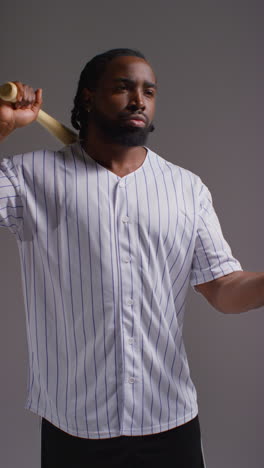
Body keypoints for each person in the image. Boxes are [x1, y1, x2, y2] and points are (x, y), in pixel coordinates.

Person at [0, 48, 263, 468]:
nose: (139, 99)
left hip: (169, 420)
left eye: (149, 91)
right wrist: (4, 126)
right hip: (75, 425)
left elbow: (222, 287)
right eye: (123, 87)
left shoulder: (185, 189)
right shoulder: (32, 176)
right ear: (88, 97)